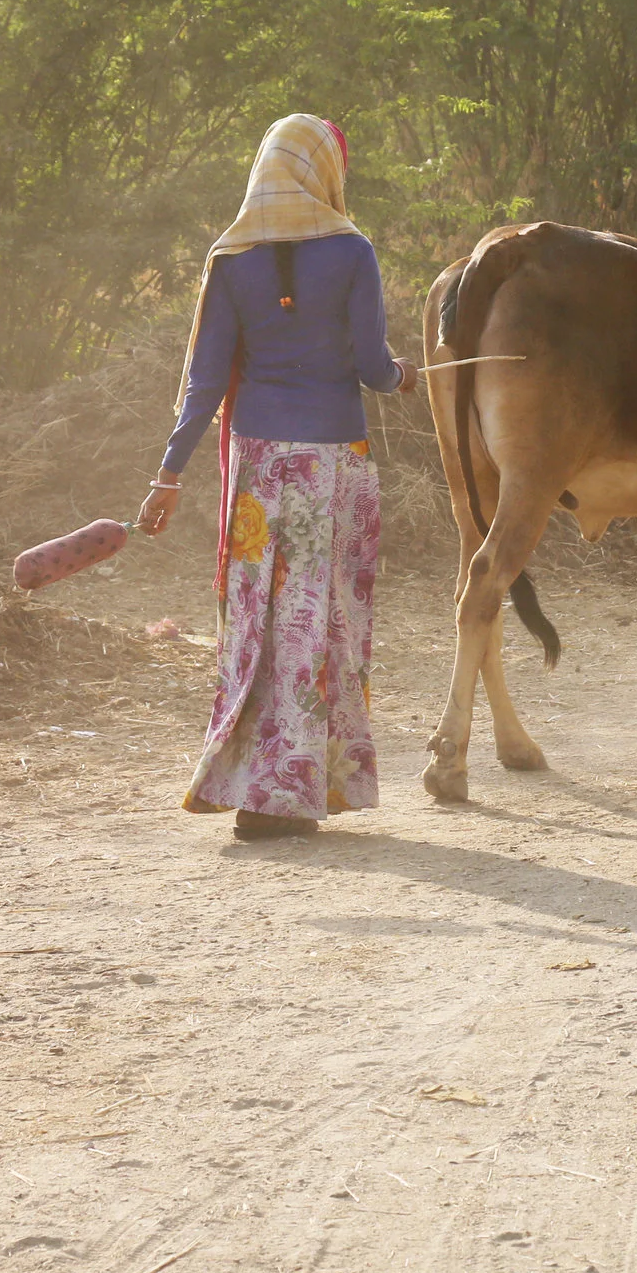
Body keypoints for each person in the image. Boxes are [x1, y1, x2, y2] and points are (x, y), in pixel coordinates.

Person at [139, 114, 417, 840]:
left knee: (258, 619)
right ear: (323, 171)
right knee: (320, 622)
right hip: (333, 462)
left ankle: (257, 788)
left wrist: (167, 475)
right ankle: (294, 791)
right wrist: (405, 376)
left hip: (258, 466)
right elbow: (372, 367)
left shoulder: (231, 259)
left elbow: (204, 384)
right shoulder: (353, 251)